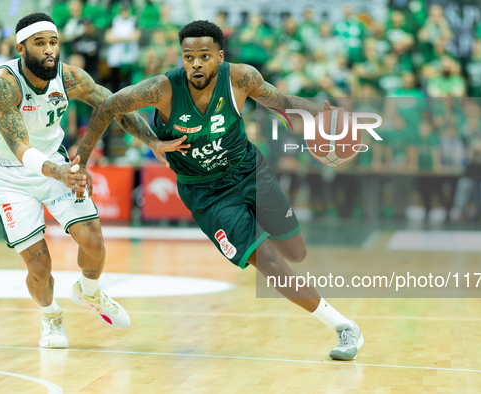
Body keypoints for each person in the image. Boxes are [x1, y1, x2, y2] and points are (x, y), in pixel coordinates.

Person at [76, 20, 363, 361]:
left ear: (219, 56)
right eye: (188, 56)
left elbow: (282, 102)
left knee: (296, 252)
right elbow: (109, 106)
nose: (195, 63)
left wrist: (319, 112)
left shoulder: (240, 78)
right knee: (268, 261)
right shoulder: (162, 89)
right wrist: (120, 148)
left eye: (204, 56)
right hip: (207, 195)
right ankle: (345, 327)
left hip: (249, 172)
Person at [0, 13, 185, 348]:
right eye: (40, 43)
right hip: (10, 175)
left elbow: (114, 105)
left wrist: (151, 141)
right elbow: (20, 147)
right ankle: (51, 317)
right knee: (39, 264)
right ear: (21, 47)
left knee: (93, 241)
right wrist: (59, 171)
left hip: (55, 165)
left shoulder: (71, 77)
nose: (49, 50)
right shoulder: (4, 82)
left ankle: (89, 292)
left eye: (53, 42)